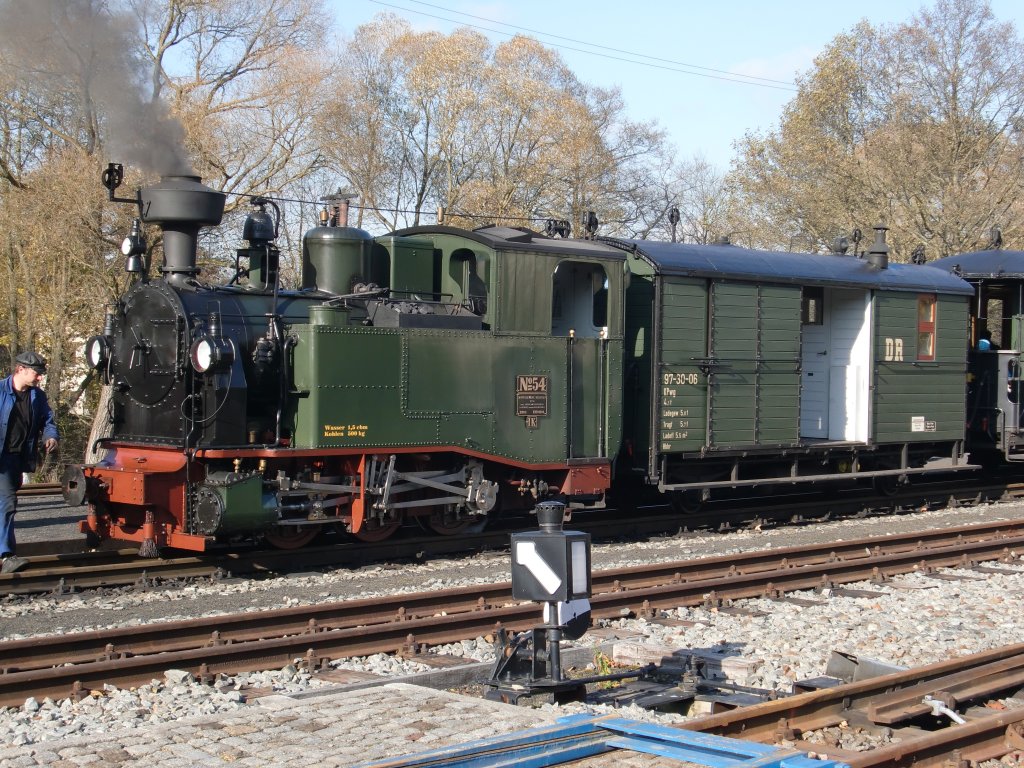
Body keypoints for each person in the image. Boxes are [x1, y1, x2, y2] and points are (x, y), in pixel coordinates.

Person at [0, 351, 59, 573]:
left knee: (5, 504)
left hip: (17, 458)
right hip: (2, 459)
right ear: (20, 369)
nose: (40, 377)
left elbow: (48, 421)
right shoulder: (0, 391)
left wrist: (50, 436)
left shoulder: (37, 396)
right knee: (6, 503)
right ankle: (6, 556)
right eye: (36, 373)